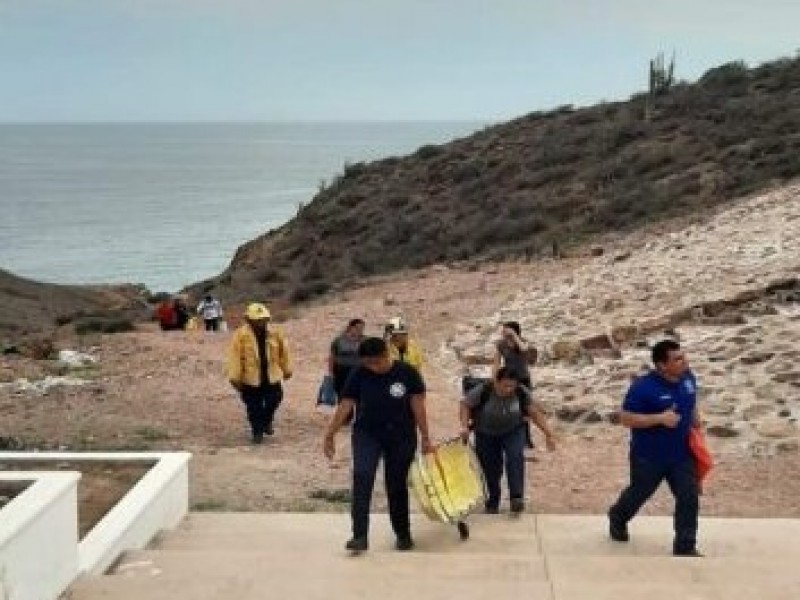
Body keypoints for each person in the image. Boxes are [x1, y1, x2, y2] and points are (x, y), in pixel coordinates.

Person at [323, 337, 434, 553]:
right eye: (368, 363)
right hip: (368, 434)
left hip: (401, 436)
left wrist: (426, 437)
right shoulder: (359, 373)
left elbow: (418, 407)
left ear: (386, 354)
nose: (372, 368)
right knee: (362, 478)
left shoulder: (407, 373)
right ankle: (359, 536)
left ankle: (403, 533)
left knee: (396, 485)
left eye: (376, 362)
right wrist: (330, 433)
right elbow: (346, 405)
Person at [608, 339, 702, 557]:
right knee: (639, 494)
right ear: (661, 365)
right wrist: (659, 418)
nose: (684, 361)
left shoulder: (688, 377)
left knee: (689, 496)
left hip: (681, 454)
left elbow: (691, 397)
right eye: (678, 359)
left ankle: (685, 546)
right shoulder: (643, 387)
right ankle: (617, 517)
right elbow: (625, 418)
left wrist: (696, 419)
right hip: (648, 456)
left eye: (683, 356)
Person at [459, 367, 556, 514]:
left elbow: (534, 413)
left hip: (513, 430)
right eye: (505, 385)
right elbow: (465, 404)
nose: (509, 389)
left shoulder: (521, 392)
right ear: (496, 382)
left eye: (512, 386)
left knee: (515, 457)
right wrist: (464, 426)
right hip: (485, 433)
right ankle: (492, 501)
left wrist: (548, 434)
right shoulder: (484, 390)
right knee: (490, 468)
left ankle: (516, 498)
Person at [226, 303, 292, 444]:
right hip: (250, 379)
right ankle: (257, 431)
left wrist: (287, 370)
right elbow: (235, 357)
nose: (261, 323)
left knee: (275, 398)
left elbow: (283, 352)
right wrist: (234, 378)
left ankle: (266, 421)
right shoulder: (240, 336)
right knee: (253, 407)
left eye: (264, 319)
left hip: (271, 376)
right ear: (249, 320)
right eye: (258, 320)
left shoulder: (275, 333)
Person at [494, 321, 535, 449]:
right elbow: (496, 362)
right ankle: (510, 436)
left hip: (523, 379)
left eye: (506, 330)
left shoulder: (522, 341)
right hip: (508, 379)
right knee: (508, 407)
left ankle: (526, 438)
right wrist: (495, 378)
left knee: (525, 409)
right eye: (503, 330)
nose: (503, 332)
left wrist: (515, 337)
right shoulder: (501, 344)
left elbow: (524, 349)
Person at [328, 318, 366, 398]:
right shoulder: (339, 340)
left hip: (359, 372)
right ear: (350, 327)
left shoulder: (365, 340)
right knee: (343, 396)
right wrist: (331, 373)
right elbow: (332, 357)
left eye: (362, 328)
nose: (360, 330)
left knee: (360, 397)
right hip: (341, 373)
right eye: (357, 328)